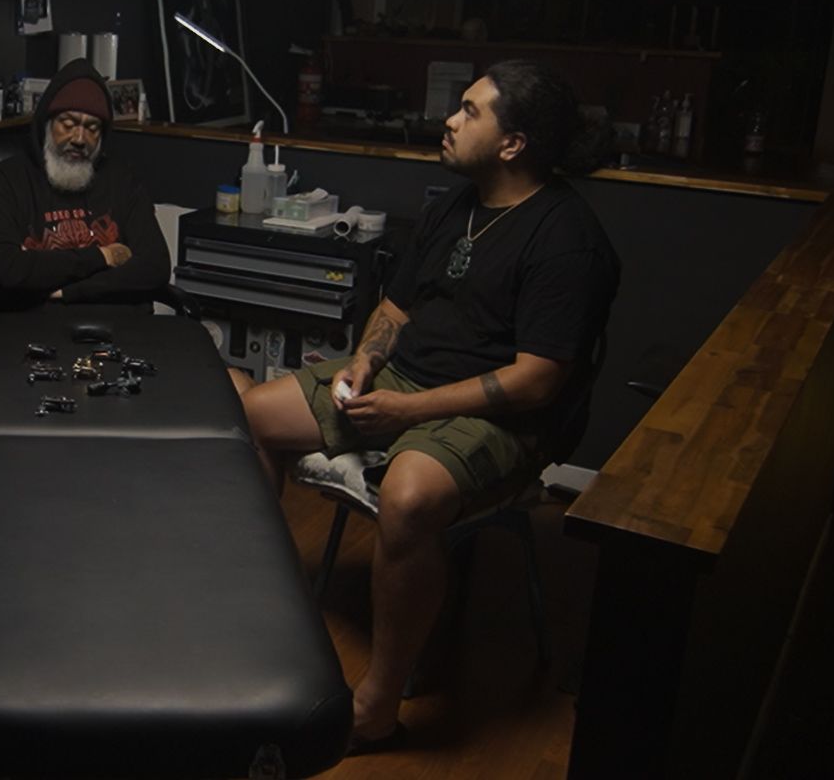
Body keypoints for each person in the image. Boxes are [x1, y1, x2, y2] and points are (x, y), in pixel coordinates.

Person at [235, 59, 618, 748]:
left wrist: (408, 413)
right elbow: (396, 307)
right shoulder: (452, 206)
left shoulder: (568, 240)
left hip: (497, 415)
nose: (449, 119)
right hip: (405, 378)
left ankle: (377, 707)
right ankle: (262, 609)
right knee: (251, 417)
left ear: (513, 144)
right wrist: (365, 361)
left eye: (470, 111)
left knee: (409, 497)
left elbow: (537, 382)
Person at [0, 58, 170, 308]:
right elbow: (10, 270)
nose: (79, 138)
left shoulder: (121, 179)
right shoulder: (4, 181)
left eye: (92, 128)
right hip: (36, 323)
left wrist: (71, 290)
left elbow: (156, 266)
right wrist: (104, 256)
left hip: (117, 321)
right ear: (47, 123)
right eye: (68, 124)